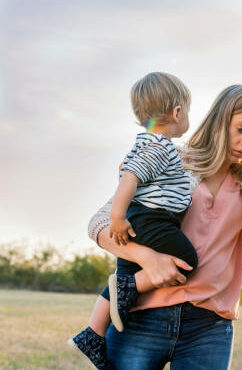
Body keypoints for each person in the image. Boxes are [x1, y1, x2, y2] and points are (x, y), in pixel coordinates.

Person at [83, 84, 242, 369]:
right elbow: (100, 224)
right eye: (240, 129)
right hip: (142, 315)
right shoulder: (170, 159)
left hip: (209, 328)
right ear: (219, 121)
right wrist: (148, 259)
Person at [69, 71, 197, 369]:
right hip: (153, 219)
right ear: (177, 112)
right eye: (188, 111)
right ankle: (127, 292)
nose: (188, 117)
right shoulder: (159, 146)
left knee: (124, 276)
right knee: (187, 259)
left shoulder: (144, 143)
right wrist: (116, 216)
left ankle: (94, 332)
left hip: (141, 219)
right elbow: (130, 177)